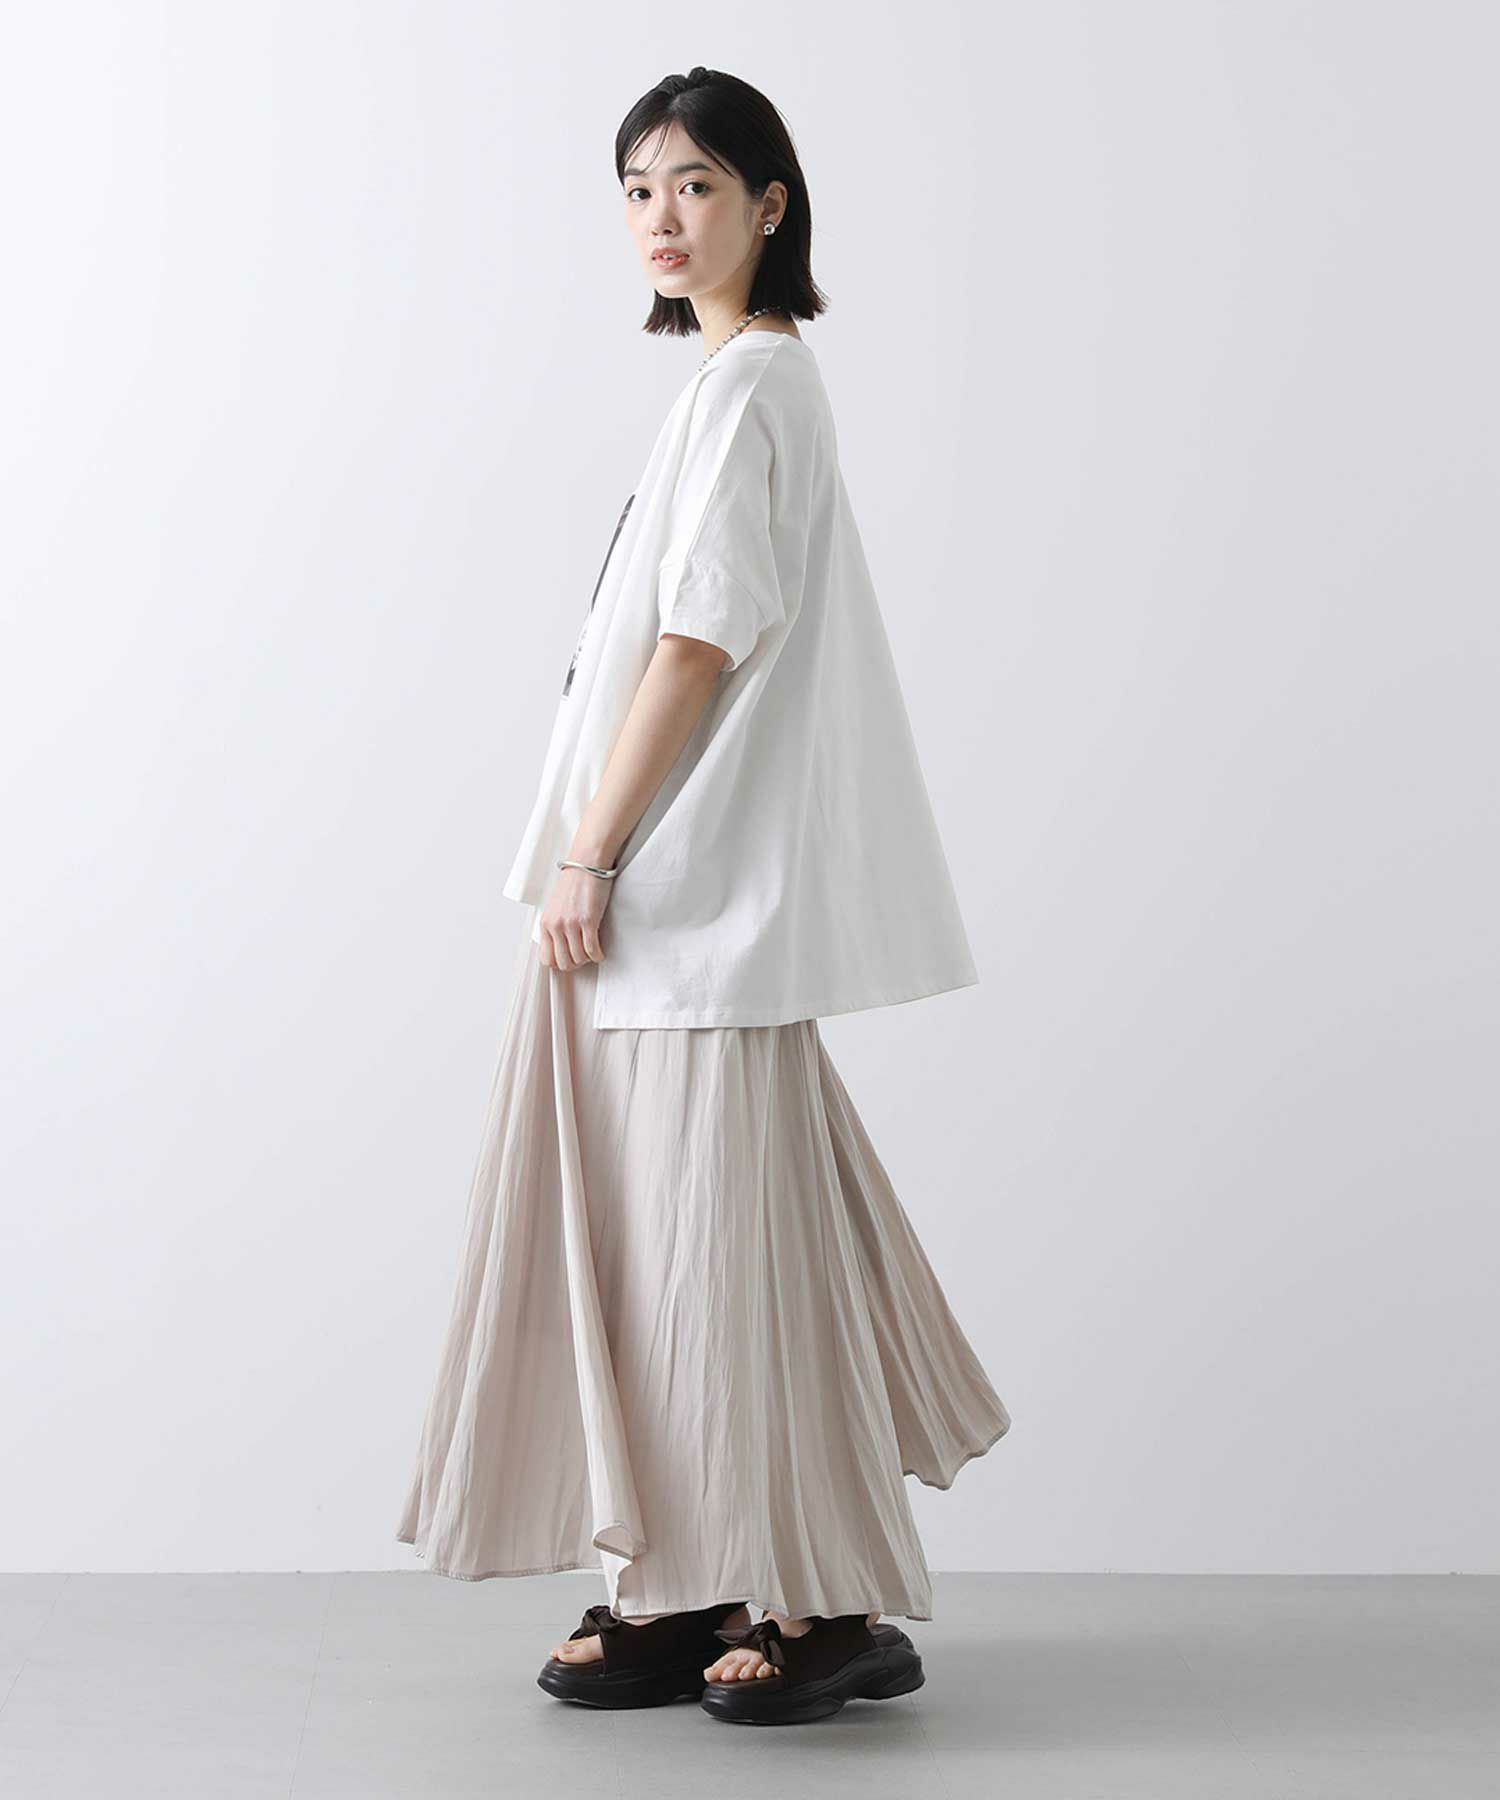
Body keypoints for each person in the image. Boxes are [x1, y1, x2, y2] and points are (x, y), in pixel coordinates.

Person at [395, 66, 1011, 1728]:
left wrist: (591, 853)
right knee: (680, 1255)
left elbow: (699, 642)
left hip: (683, 903)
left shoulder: (757, 389)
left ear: (769, 204)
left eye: (696, 185)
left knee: (720, 1264)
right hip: (665, 911)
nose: (662, 219)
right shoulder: (725, 386)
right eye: (638, 189)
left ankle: (825, 1602)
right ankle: (685, 1584)